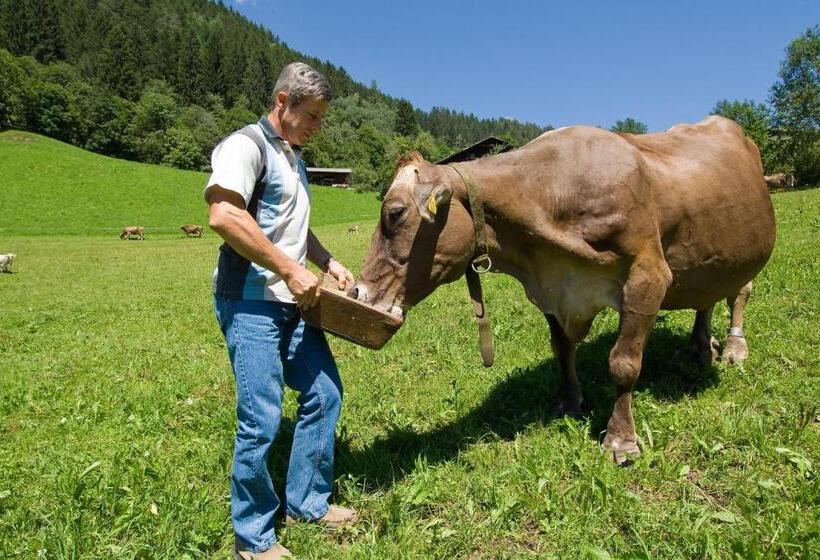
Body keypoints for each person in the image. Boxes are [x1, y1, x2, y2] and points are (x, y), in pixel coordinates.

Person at [205, 62, 357, 560]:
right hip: (250, 302)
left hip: (294, 302)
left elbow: (293, 225)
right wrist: (289, 270)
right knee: (261, 418)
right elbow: (224, 215)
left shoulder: (294, 157)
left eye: (321, 118)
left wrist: (327, 261)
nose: (317, 126)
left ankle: (307, 502)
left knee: (324, 393)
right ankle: (253, 538)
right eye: (310, 115)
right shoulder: (244, 147)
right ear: (282, 101)